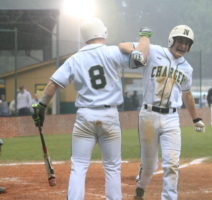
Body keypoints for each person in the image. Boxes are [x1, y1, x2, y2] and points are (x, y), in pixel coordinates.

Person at [31, 17, 150, 200]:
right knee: (112, 166)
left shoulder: (75, 59)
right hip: (109, 115)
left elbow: (53, 84)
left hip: (85, 116)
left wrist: (41, 106)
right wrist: (144, 37)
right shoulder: (113, 52)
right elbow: (141, 58)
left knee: (78, 165)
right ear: (102, 32)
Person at [119, 25, 205, 200]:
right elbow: (122, 45)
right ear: (171, 40)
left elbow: (187, 93)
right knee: (150, 165)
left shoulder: (187, 68)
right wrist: (134, 51)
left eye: (187, 43)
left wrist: (196, 118)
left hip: (172, 117)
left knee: (172, 164)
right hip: (149, 116)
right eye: (180, 41)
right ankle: (140, 189)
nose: (183, 46)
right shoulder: (153, 51)